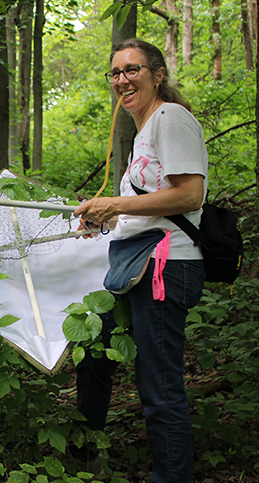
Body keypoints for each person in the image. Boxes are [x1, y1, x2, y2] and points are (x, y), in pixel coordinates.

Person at [71, 39, 208, 483]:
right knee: (94, 356)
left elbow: (190, 195)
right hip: (132, 264)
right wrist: (106, 218)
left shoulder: (170, 117)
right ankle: (84, 458)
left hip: (165, 267)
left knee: (160, 388)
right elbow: (147, 205)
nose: (122, 80)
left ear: (158, 74)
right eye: (115, 73)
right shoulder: (144, 129)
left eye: (132, 70)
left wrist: (116, 204)